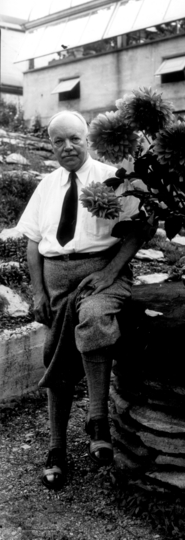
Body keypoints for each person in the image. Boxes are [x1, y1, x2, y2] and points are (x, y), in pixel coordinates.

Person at [17, 110, 155, 490]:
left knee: (94, 317)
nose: (67, 147)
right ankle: (57, 448)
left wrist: (110, 273)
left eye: (74, 138)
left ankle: (97, 419)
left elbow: (141, 229)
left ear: (88, 139)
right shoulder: (47, 185)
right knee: (55, 356)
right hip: (57, 284)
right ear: (51, 145)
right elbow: (32, 241)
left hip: (102, 276)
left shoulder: (114, 178)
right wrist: (38, 290)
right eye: (58, 141)